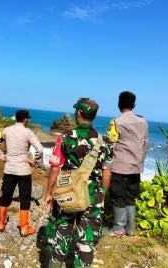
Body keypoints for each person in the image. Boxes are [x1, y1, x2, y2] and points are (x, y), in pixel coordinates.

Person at [44, 98, 112, 268]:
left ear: (79, 114)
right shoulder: (104, 142)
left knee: (60, 237)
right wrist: (102, 194)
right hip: (93, 195)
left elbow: (55, 167)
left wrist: (49, 193)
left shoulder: (65, 137)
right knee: (86, 243)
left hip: (68, 192)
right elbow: (107, 171)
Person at [0, 109, 44, 237]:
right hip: (23, 170)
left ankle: (1, 224)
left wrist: (1, 155)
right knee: (25, 197)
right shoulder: (28, 132)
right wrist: (35, 161)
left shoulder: (6, 130)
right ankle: (24, 227)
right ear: (26, 119)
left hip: (9, 168)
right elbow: (40, 149)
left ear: (16, 118)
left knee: (6, 195)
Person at [105, 91, 149, 237]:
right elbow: (145, 145)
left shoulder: (116, 122)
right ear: (134, 105)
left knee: (118, 197)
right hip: (136, 167)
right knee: (130, 197)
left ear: (119, 104)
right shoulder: (143, 122)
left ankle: (118, 228)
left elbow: (110, 144)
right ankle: (130, 228)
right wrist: (139, 161)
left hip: (120, 166)